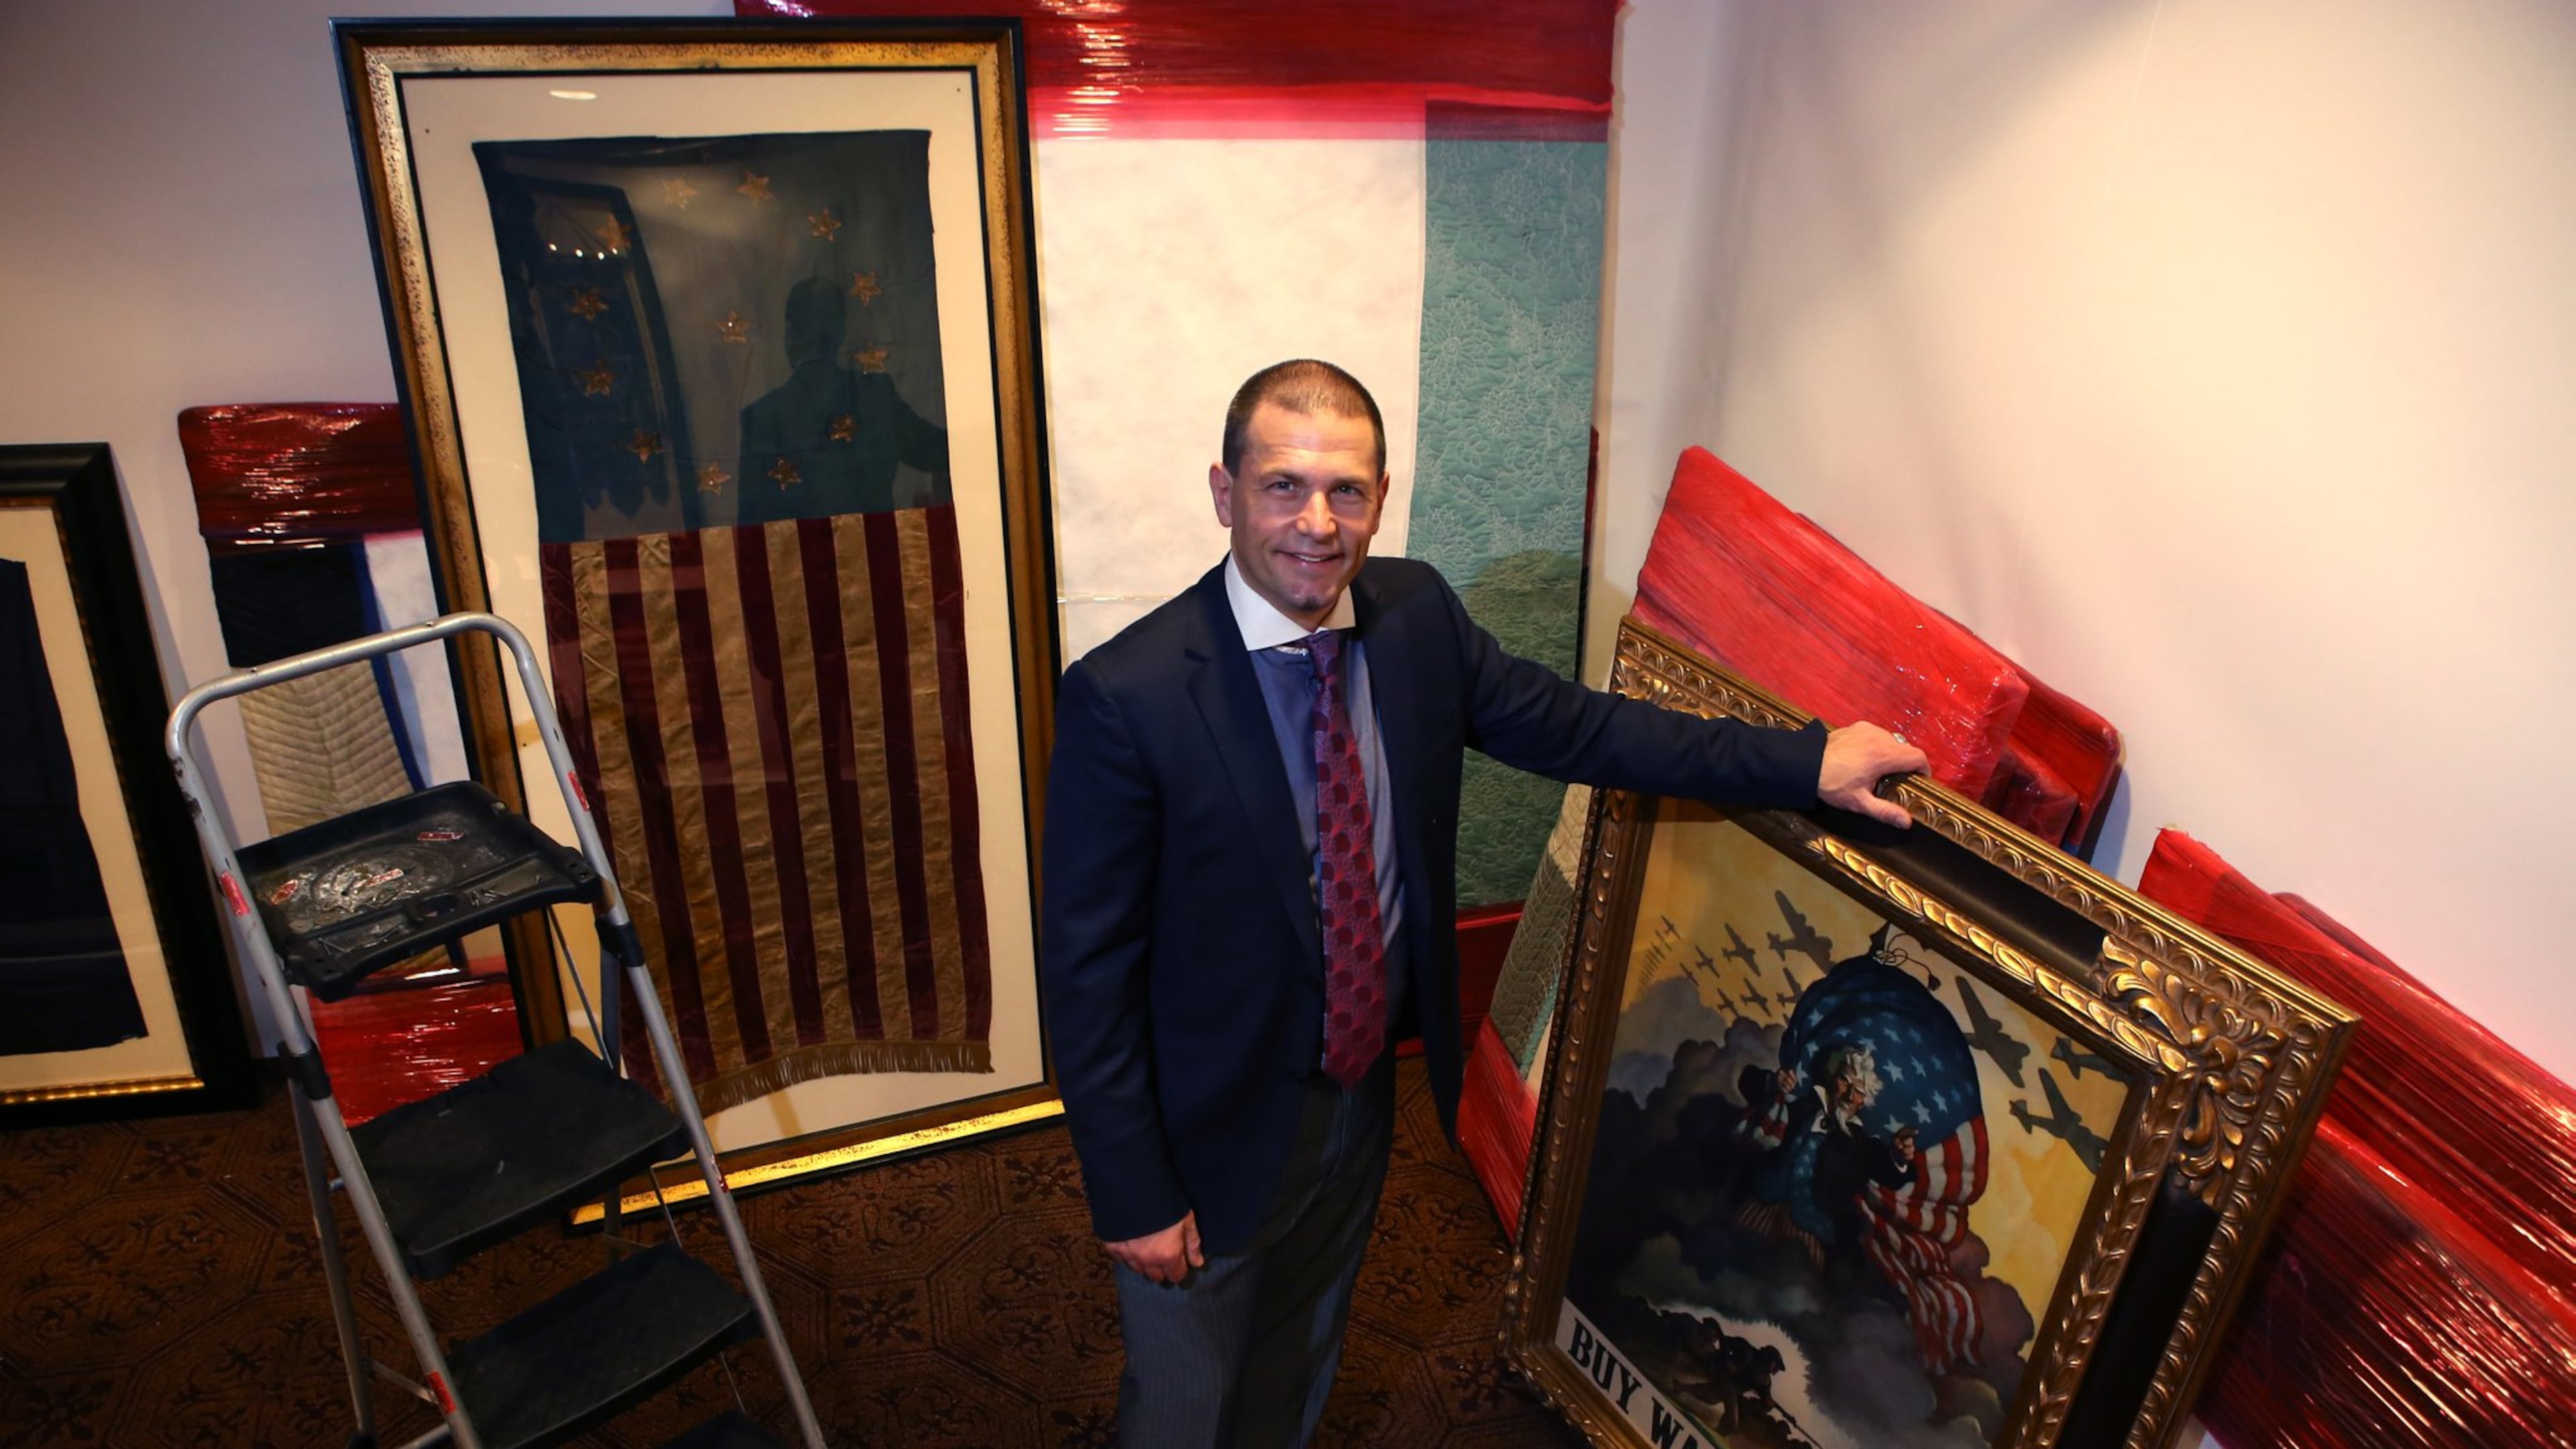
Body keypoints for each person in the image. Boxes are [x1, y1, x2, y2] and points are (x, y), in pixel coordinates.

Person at [1040, 359, 1926, 1446]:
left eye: (1349, 491)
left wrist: (1803, 762)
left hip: (1362, 1101)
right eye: (1283, 487)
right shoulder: (1128, 698)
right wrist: (1132, 1191)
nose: (1317, 524)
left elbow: (1586, 730)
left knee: (1299, 1358)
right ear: (1225, 494)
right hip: (1206, 1133)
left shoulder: (1415, 617)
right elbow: (1084, 979)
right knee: (1185, 1405)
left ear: (1380, 495)